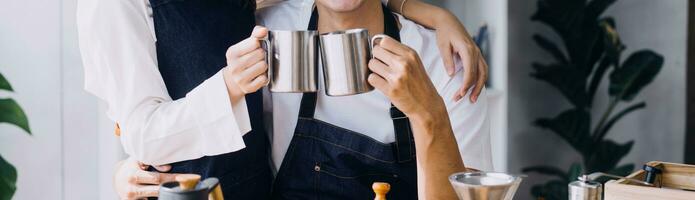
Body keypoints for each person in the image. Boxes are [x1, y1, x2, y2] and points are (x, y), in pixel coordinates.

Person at [79, 0, 488, 199]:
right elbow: (145, 127)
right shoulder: (273, 38)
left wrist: (428, 110)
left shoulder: (444, 66)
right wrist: (135, 161)